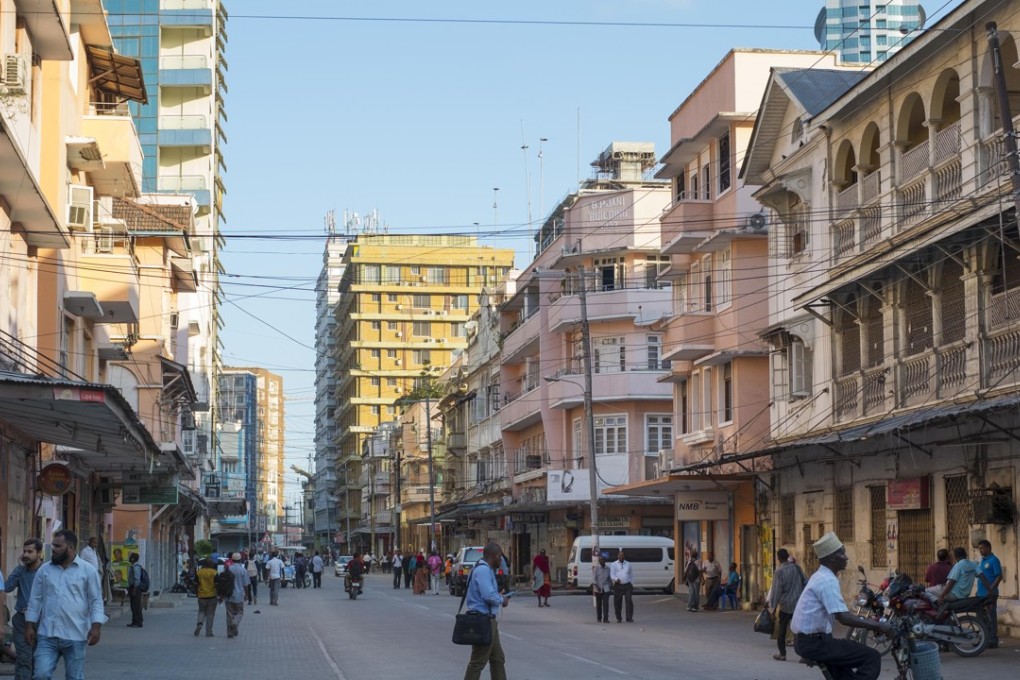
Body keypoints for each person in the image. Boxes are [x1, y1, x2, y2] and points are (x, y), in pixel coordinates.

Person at [792, 532, 892, 680]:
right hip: (814, 643)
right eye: (842, 554)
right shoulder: (827, 580)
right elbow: (843, 617)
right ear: (832, 557)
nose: (846, 558)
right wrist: (878, 625)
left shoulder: (821, 576)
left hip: (811, 640)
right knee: (872, 657)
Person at [25, 530, 106, 680]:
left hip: (76, 634)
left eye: (58, 546)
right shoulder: (44, 570)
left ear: (70, 548)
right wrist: (30, 625)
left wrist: (96, 627)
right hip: (47, 633)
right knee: (41, 674)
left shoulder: (88, 571)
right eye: (53, 545)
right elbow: (35, 599)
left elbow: (96, 601)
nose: (53, 549)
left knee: (74, 677)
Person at [463, 542, 510, 680]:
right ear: (493, 556)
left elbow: (487, 592)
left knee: (498, 658)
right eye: (500, 556)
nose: (501, 560)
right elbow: (488, 596)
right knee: (478, 662)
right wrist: (502, 599)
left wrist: (497, 595)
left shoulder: (484, 569)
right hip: (483, 621)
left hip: (489, 620)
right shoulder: (483, 570)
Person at [4, 538, 43, 680]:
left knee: (39, 660)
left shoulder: (46, 571)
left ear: (39, 553)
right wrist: (19, 569)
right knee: (23, 658)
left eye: (30, 552)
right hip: (22, 620)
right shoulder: (21, 570)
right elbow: (7, 587)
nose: (26, 555)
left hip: (41, 620)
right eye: (24, 551)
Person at [769, 548, 805, 662]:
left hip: (785, 605)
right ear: (788, 556)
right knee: (799, 630)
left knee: (782, 630)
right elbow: (805, 582)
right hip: (798, 604)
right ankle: (804, 655)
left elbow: (776, 591)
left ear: (778, 558)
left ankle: (782, 654)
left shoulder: (779, 572)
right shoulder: (797, 568)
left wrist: (773, 607)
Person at [976, 539, 1002, 648]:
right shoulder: (982, 560)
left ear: (988, 548)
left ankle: (993, 640)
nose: (980, 550)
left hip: (990, 595)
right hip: (981, 595)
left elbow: (999, 576)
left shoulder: (994, 560)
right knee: (981, 617)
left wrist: (990, 590)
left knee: (991, 617)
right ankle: (984, 639)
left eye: (982, 548)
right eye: (979, 548)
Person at [221, 553, 250, 638]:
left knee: (229, 614)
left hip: (228, 596)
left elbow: (223, 582)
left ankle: (230, 633)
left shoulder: (228, 569)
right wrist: (247, 595)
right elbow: (246, 585)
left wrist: (221, 595)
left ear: (232, 560)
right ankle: (235, 623)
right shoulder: (243, 570)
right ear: (240, 560)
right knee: (240, 612)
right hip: (239, 595)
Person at [194, 557, 218, 637]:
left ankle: (199, 624)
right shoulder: (214, 572)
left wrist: (197, 592)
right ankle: (209, 631)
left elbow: (196, 583)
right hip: (212, 596)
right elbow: (217, 584)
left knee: (201, 611)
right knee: (210, 614)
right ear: (211, 564)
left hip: (201, 595)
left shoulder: (199, 572)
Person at [609, 549, 634, 623]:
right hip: (618, 586)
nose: (621, 556)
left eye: (622, 555)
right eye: (620, 555)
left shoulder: (628, 564)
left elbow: (631, 574)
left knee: (629, 601)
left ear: (624, 556)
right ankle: (619, 618)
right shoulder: (614, 564)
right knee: (617, 602)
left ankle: (629, 618)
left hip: (627, 586)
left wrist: (632, 583)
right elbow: (612, 574)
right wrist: (616, 579)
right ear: (618, 556)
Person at [592, 554, 612, 623]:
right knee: (599, 603)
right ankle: (599, 618)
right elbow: (594, 578)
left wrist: (610, 585)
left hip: (606, 588)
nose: (601, 561)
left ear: (605, 561)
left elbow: (609, 578)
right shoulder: (596, 568)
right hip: (598, 588)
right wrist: (596, 586)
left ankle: (606, 618)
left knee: (606, 603)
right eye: (600, 560)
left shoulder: (608, 569)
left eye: (603, 560)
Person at [126, 552, 144, 628]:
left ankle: (138, 622)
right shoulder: (133, 566)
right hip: (133, 588)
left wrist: (134, 590)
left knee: (136, 606)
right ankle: (134, 621)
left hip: (135, 588)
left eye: (130, 557)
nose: (129, 558)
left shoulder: (136, 567)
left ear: (133, 559)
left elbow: (137, 579)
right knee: (133, 606)